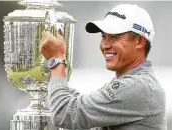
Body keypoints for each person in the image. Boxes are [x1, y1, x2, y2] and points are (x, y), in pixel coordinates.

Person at [39, 4, 167, 130]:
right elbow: (76, 106)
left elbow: (64, 114)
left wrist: (56, 60)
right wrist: (55, 75)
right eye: (103, 36)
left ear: (139, 41)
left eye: (114, 37)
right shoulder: (133, 83)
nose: (105, 45)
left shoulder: (138, 86)